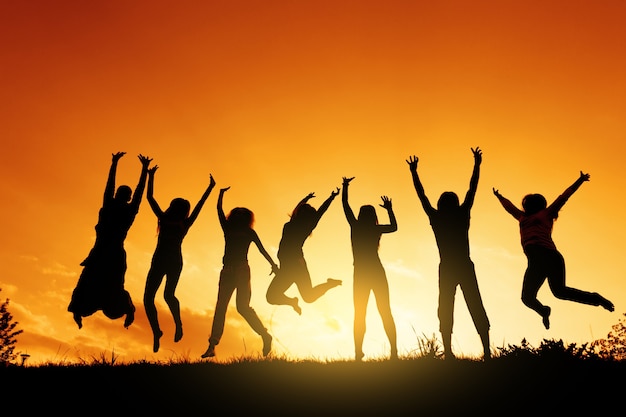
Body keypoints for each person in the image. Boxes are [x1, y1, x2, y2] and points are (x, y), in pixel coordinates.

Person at [493, 171, 614, 329]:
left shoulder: (546, 214)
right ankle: (544, 311)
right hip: (535, 260)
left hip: (548, 256)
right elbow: (509, 208)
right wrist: (499, 197)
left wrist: (580, 180)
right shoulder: (522, 217)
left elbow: (564, 196)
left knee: (560, 292)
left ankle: (597, 299)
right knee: (527, 298)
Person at [406, 147, 490, 361]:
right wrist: (477, 164)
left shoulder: (436, 218)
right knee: (474, 303)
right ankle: (487, 352)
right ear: (456, 202)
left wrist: (414, 172)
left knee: (445, 306)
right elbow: (472, 189)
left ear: (440, 205)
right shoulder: (462, 214)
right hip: (463, 264)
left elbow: (422, 196)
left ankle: (449, 352)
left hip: (448, 266)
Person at [68, 151, 152, 329]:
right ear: (124, 197)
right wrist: (142, 169)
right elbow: (130, 191)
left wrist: (115, 164)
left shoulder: (118, 208)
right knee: (91, 283)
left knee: (96, 284)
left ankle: (126, 309)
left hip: (108, 254)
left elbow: (118, 188)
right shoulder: (117, 208)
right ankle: (81, 310)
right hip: (103, 253)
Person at [144, 166, 216, 352]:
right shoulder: (172, 220)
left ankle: (174, 326)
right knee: (155, 297)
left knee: (160, 296)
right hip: (166, 260)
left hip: (167, 260)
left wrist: (149, 175)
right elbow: (150, 199)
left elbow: (200, 204)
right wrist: (149, 174)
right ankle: (159, 331)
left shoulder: (177, 221)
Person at [201, 186, 279, 358]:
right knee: (220, 307)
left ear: (247, 219)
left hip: (242, 270)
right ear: (233, 216)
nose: (239, 216)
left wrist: (273, 264)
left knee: (243, 307)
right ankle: (212, 345)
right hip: (227, 271)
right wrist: (220, 193)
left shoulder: (249, 232)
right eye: (237, 213)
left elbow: (262, 249)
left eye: (243, 214)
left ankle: (265, 335)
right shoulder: (227, 228)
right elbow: (219, 210)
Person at [342, 176, 398, 361]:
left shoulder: (355, 226)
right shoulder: (375, 229)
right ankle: (394, 352)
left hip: (361, 273)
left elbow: (345, 205)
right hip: (375, 271)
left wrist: (345, 186)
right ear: (374, 217)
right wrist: (390, 209)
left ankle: (358, 353)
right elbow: (394, 227)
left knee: (360, 313)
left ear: (360, 216)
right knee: (384, 311)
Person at [266, 189, 342, 315]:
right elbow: (298, 208)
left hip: (296, 266)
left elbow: (321, 212)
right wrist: (306, 197)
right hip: (286, 268)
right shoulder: (292, 222)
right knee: (271, 297)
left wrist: (331, 197)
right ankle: (292, 302)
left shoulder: (307, 226)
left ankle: (330, 284)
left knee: (308, 297)